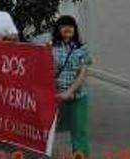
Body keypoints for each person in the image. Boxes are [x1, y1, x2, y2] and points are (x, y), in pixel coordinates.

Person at [52, 15, 91, 158]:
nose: (67, 28)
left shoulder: (82, 48)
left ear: (74, 29)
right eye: (63, 26)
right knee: (48, 130)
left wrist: (69, 92)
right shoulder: (51, 47)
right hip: (56, 97)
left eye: (70, 25)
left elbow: (83, 73)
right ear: (58, 29)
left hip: (77, 96)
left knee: (78, 132)